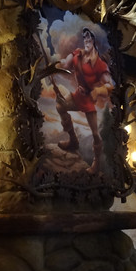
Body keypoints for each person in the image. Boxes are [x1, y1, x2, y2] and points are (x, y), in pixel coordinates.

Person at [54, 27, 114, 174]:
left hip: (88, 99)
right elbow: (66, 64)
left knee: (95, 134)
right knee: (60, 106)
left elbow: (109, 86)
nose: (86, 41)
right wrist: (58, 64)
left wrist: (98, 91)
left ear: (94, 41)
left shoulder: (100, 65)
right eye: (85, 38)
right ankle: (73, 141)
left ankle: (96, 163)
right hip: (77, 95)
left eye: (89, 38)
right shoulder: (77, 54)